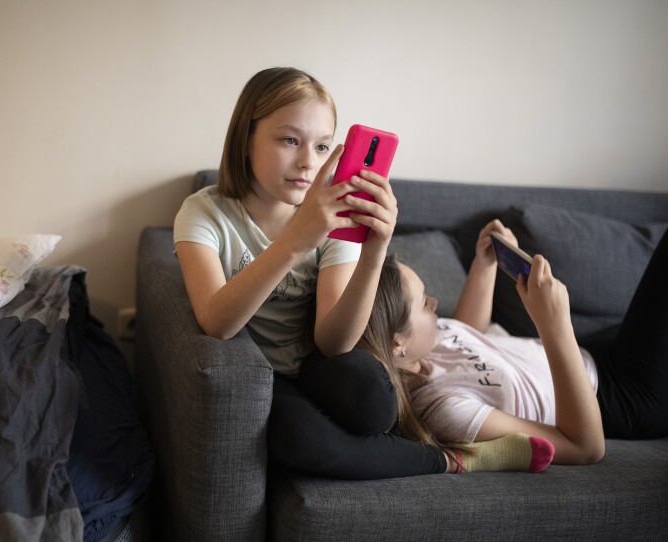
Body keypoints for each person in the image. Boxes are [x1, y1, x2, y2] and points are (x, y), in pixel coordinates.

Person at [173, 66, 554, 479]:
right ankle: (457, 458)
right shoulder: (204, 213)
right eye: (289, 140)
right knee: (298, 439)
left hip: (317, 363)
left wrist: (374, 252)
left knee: (375, 403)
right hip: (263, 373)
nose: (307, 162)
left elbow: (333, 342)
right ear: (246, 138)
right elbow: (216, 322)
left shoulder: (335, 216)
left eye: (322, 147)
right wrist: (295, 242)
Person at [359, 219, 668, 465]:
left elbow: (468, 334)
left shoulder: (420, 350)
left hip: (595, 352)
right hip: (616, 395)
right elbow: (585, 448)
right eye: (425, 302)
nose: (436, 303)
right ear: (397, 342)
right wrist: (555, 324)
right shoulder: (446, 411)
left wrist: (484, 265)